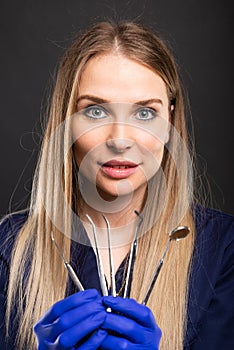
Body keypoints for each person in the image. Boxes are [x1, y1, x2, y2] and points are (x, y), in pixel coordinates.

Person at [0, 21, 233, 350]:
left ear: (169, 120)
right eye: (95, 111)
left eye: (144, 113)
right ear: (66, 121)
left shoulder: (224, 250)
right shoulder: (8, 250)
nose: (120, 140)